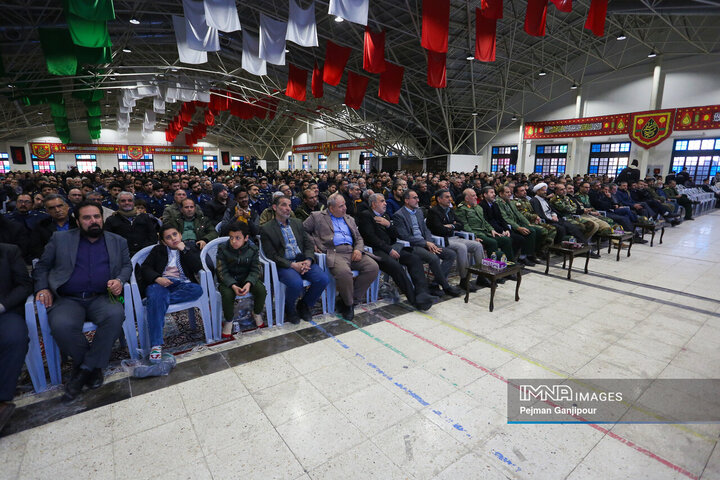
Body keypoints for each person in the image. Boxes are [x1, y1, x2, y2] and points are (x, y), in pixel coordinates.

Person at [33, 201, 132, 400]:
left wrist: (120, 280)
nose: (93, 221)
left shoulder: (117, 240)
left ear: (102, 218)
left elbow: (126, 266)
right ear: (78, 222)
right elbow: (42, 267)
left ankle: (85, 369)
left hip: (103, 295)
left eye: (96, 216)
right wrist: (43, 287)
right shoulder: (60, 239)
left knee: (116, 315)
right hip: (68, 298)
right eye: (87, 218)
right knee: (61, 325)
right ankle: (93, 367)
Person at [304, 193, 380, 320]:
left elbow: (359, 238)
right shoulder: (317, 216)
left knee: (373, 267)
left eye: (344, 204)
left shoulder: (349, 218)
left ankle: (349, 300)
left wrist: (358, 249)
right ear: (331, 208)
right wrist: (313, 243)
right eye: (341, 206)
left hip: (352, 251)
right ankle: (349, 305)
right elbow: (302, 230)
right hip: (334, 252)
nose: (345, 208)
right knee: (344, 273)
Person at [137, 225, 205, 363]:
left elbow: (198, 267)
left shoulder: (189, 248)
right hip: (160, 284)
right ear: (163, 241)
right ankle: (156, 345)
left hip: (182, 285)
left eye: (175, 234)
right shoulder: (158, 250)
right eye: (168, 237)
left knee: (197, 290)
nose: (173, 238)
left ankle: (154, 302)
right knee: (156, 293)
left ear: (180, 235)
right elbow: (145, 268)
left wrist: (184, 250)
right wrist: (157, 278)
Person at [358, 193, 435, 310]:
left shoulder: (386, 216)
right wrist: (389, 250)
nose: (385, 203)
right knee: (396, 267)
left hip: (392, 247)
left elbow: (396, 235)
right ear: (374, 204)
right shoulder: (366, 215)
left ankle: (422, 293)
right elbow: (370, 238)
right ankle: (413, 298)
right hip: (376, 250)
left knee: (414, 259)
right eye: (382, 201)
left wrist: (388, 225)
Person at [261, 196, 330, 324]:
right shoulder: (267, 228)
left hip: (303, 260)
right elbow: (272, 255)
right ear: (275, 207)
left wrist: (308, 260)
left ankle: (304, 304)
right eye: (284, 205)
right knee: (296, 283)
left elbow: (308, 244)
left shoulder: (297, 223)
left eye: (289, 205)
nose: (288, 208)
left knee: (323, 279)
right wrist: (293, 265)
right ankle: (290, 308)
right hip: (284, 264)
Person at [393, 190, 463, 298]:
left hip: (426, 243)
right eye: (414, 198)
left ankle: (435, 284)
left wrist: (429, 242)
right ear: (406, 200)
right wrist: (425, 243)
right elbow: (405, 237)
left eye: (417, 197)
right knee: (433, 258)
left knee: (450, 254)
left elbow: (426, 230)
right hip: (412, 246)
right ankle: (446, 286)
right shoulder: (399, 215)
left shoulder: (419, 211)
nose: (418, 200)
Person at [0, 243, 33, 432]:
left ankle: (2, 400)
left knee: (15, 337)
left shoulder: (8, 251)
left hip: (5, 312)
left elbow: (24, 285)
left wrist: (2, 305)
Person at [426, 189, 486, 291]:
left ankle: (481, 276)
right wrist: (452, 226)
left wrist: (451, 226)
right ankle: (464, 279)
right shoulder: (433, 211)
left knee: (477, 245)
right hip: (442, 240)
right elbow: (438, 229)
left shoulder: (450, 210)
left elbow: (460, 224)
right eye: (447, 197)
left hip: (454, 237)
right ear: (439, 199)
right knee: (462, 247)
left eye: (450, 196)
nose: (450, 199)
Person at [214, 222, 267, 337]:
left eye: (238, 238)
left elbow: (255, 269)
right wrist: (232, 285)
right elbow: (222, 271)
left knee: (261, 290)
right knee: (227, 295)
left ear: (246, 238)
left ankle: (256, 312)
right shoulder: (222, 249)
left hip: (246, 278)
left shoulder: (252, 249)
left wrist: (248, 283)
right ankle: (228, 320)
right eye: (231, 237)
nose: (233, 241)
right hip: (227, 280)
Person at [455, 188, 515, 260]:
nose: (476, 197)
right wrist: (474, 236)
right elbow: (465, 225)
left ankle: (510, 262)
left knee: (506, 240)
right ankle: (493, 265)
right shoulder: (461, 209)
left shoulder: (478, 207)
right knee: (492, 242)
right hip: (476, 233)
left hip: (485, 232)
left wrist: (492, 230)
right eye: (473, 196)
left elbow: (484, 221)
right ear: (467, 198)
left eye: (476, 195)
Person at [479, 186, 527, 263]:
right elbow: (489, 221)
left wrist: (507, 229)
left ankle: (512, 258)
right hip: (493, 230)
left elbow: (501, 219)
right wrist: (501, 231)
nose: (494, 194)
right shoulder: (482, 206)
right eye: (491, 192)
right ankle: (507, 261)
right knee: (509, 240)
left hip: (501, 228)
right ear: (485, 194)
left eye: (494, 192)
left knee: (519, 239)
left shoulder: (494, 204)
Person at [104, 191, 160, 256]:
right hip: (122, 255)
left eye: (130, 200)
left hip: (145, 254)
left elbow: (153, 237)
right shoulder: (111, 220)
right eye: (123, 201)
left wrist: (143, 251)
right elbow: (108, 241)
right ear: (118, 203)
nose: (127, 203)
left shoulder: (145, 217)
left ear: (133, 202)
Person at [496, 186, 544, 261]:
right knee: (531, 232)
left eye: (510, 192)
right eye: (507, 192)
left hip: (517, 223)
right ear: (501, 194)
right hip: (510, 225)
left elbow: (518, 214)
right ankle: (523, 256)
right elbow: (505, 218)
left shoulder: (509, 201)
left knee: (538, 231)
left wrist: (527, 223)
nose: (509, 194)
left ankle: (531, 253)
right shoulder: (498, 203)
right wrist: (518, 227)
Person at [29, 194, 78, 260]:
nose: (57, 210)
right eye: (51, 208)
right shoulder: (41, 226)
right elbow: (37, 249)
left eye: (60, 206)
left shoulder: (78, 224)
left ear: (67, 206)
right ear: (47, 211)